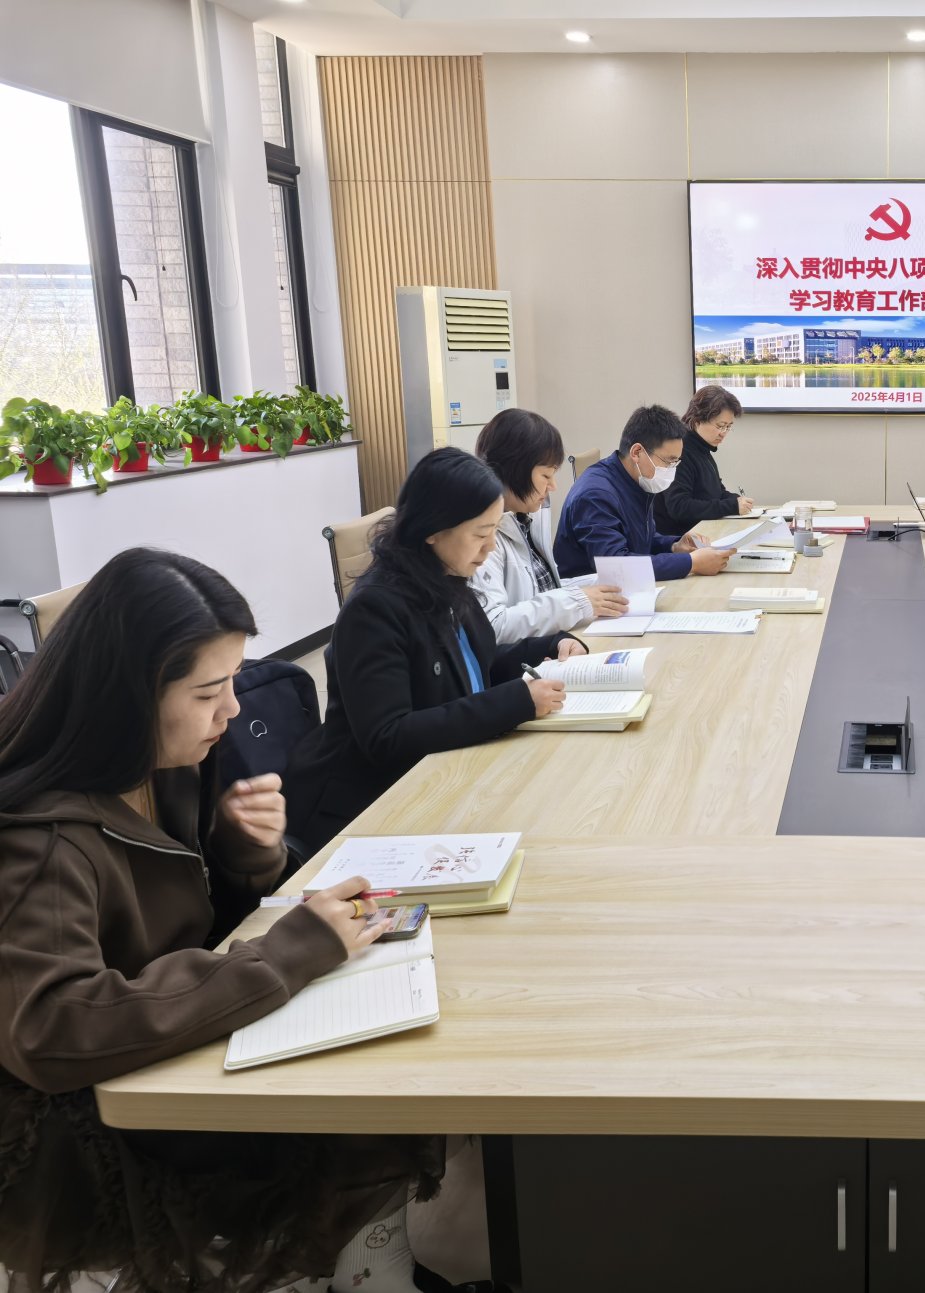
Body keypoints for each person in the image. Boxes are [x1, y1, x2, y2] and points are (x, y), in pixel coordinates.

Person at [0, 548, 449, 1293]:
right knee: (352, 1108)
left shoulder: (161, 760)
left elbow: (187, 917)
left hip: (161, 1035)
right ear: (127, 693)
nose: (234, 710)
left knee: (381, 1062)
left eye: (236, 680)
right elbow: (53, 1027)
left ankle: (371, 1269)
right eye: (210, 690)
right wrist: (287, 953)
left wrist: (244, 856)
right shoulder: (40, 837)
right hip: (80, 1116)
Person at [288, 448, 578, 856]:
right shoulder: (375, 609)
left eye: (494, 531)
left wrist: (550, 643)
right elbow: (388, 737)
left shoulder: (447, 577)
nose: (490, 548)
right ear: (432, 530)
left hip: (445, 774)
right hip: (376, 806)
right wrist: (515, 702)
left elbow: (473, 664)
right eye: (480, 534)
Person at [472, 407, 629, 642]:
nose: (553, 486)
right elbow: (493, 627)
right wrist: (578, 601)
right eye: (546, 476)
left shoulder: (524, 518)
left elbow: (542, 590)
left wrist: (598, 585)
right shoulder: (482, 538)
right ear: (513, 471)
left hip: (551, 644)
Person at [554, 404, 733, 581]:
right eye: (669, 461)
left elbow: (640, 539)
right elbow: (617, 565)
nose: (672, 470)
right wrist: (691, 563)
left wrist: (674, 545)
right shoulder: (596, 495)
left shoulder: (635, 479)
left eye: (676, 462)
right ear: (637, 452)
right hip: (591, 594)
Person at [654, 384, 755, 532]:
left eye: (728, 427)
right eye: (720, 426)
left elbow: (717, 493)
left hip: (701, 533)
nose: (724, 433)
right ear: (697, 421)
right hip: (679, 539)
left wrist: (737, 500)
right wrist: (732, 506)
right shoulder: (680, 451)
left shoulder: (703, 449)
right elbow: (679, 506)